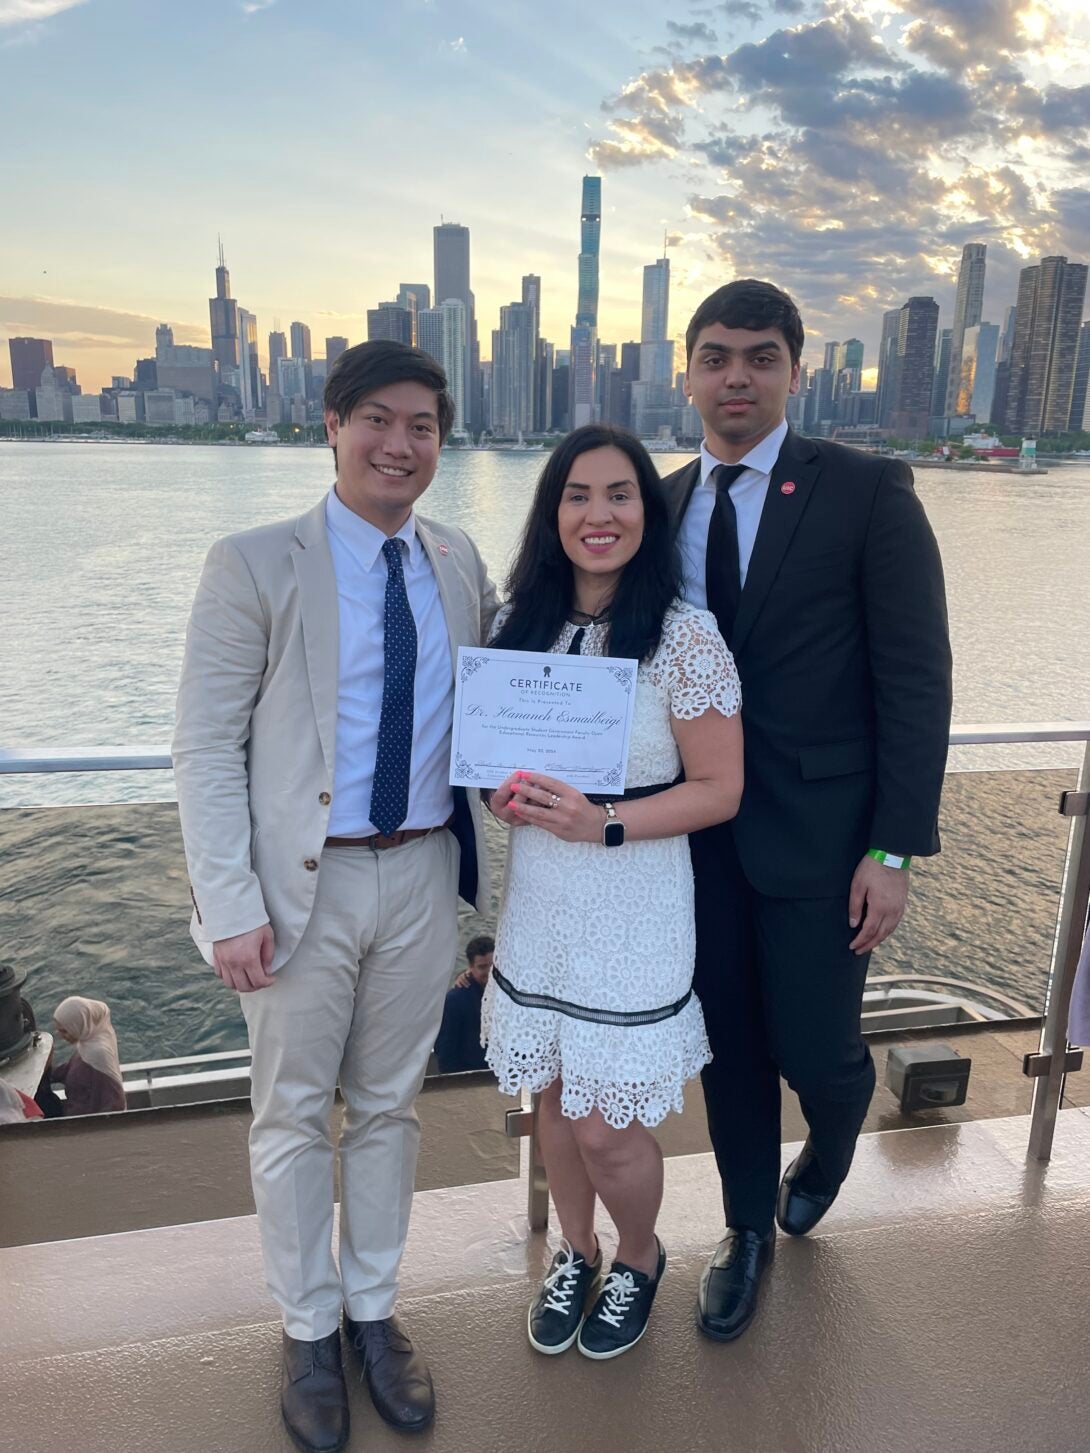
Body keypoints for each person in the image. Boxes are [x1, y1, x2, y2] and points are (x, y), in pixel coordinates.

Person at [172, 340, 498, 1453]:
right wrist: (229, 904)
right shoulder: (255, 562)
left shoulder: (457, 560)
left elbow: (498, 712)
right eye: (379, 420)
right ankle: (307, 1328)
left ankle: (371, 1311)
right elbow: (205, 747)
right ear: (332, 423)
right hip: (296, 885)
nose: (400, 445)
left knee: (393, 1107)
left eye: (423, 427)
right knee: (294, 1112)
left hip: (418, 871)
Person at [666, 280, 952, 1342]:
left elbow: (916, 678)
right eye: (715, 357)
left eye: (758, 357)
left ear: (795, 370)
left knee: (818, 1048)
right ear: (686, 373)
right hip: (693, 840)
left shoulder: (866, 489)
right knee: (726, 1045)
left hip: (826, 840)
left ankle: (836, 1128)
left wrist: (893, 845)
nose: (735, 376)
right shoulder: (656, 503)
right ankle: (743, 1232)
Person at [482, 424, 744, 1361]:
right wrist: (500, 795)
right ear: (552, 513)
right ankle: (575, 1249)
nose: (599, 514)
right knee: (553, 1099)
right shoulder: (523, 625)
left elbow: (722, 787)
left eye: (620, 495)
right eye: (578, 495)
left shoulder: (684, 636)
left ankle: (639, 1253)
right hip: (545, 898)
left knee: (605, 1124)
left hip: (634, 899)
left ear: (649, 512)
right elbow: (491, 762)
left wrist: (610, 821)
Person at [50, 996, 127, 1116]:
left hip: (86, 1127)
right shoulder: (87, 1045)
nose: (60, 1036)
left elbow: (115, 1102)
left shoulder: (97, 1053)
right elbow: (70, 1070)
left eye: (65, 1031)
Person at [434, 935, 494, 1073]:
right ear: (471, 967)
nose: (489, 972)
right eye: (482, 967)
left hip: (501, 1074)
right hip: (471, 1077)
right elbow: (445, 1050)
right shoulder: (454, 1001)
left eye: (492, 965)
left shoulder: (509, 994)